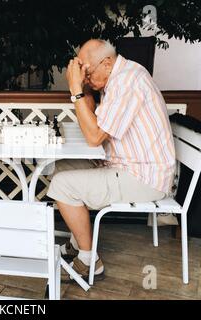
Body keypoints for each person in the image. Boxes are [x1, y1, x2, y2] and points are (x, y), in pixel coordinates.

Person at [47, 39, 175, 281]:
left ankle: (89, 262)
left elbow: (94, 137)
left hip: (144, 176)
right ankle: (78, 242)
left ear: (106, 63)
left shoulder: (127, 82)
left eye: (87, 70)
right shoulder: (117, 77)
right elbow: (93, 127)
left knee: (63, 185)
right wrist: (82, 86)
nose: (85, 76)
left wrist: (75, 88)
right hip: (128, 165)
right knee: (61, 168)